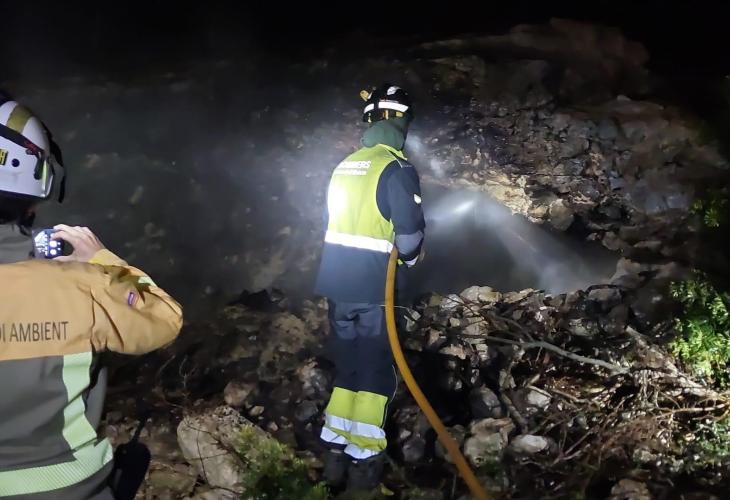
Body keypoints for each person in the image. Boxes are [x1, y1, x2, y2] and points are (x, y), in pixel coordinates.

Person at [0, 98, 184, 499]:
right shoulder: (81, 285)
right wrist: (103, 261)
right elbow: (164, 319)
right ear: (35, 194)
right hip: (73, 488)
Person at [314, 84, 426, 490]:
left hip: (337, 285)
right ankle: (364, 460)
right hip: (375, 288)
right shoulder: (396, 168)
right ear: (401, 125)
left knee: (348, 365)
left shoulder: (346, 165)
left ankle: (333, 451)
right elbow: (409, 236)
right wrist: (412, 259)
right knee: (376, 369)